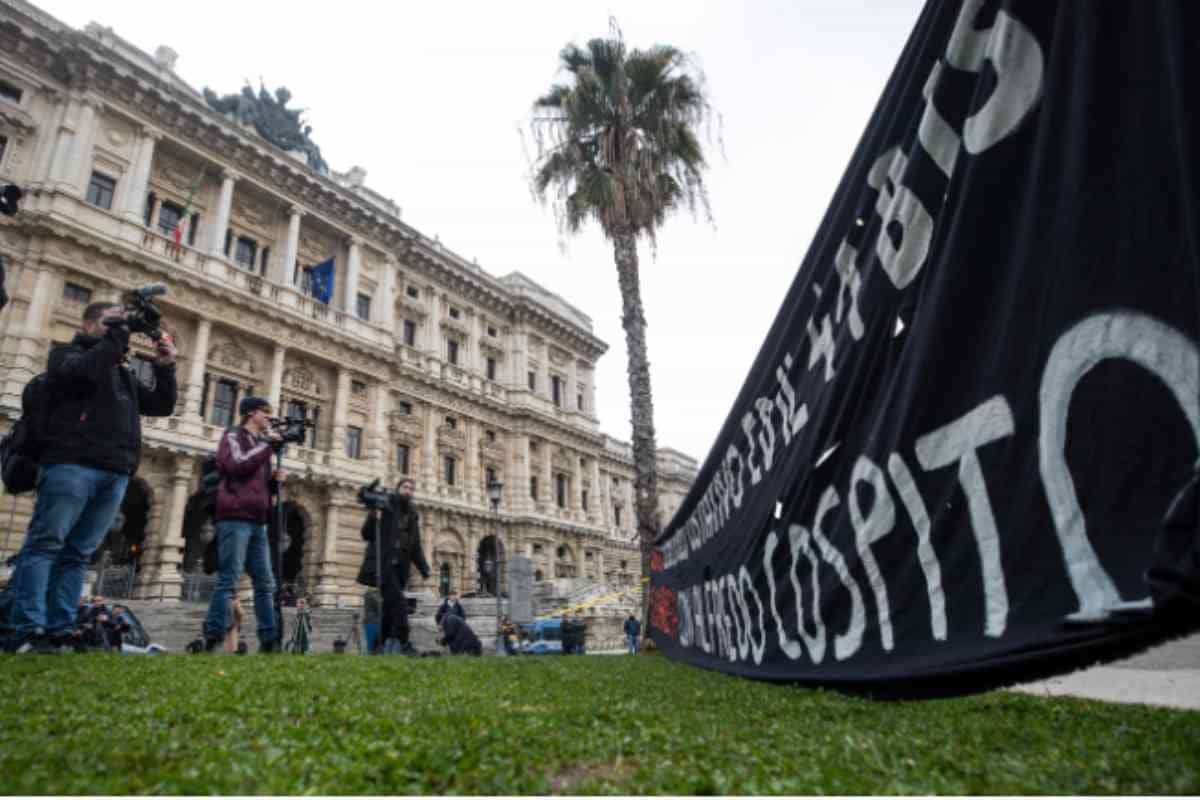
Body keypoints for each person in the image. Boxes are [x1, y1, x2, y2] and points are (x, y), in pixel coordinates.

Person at [4, 302, 177, 654]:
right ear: (89, 325)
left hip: (114, 470)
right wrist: (118, 336)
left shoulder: (122, 371)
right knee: (45, 545)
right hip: (71, 463)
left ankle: (60, 628)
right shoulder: (67, 356)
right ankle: (27, 627)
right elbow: (84, 373)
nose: (121, 329)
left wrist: (165, 365)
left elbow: (160, 404)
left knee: (78, 554)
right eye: (111, 321)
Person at [201, 396, 288, 653]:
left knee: (265, 582)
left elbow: (256, 482)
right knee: (229, 579)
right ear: (251, 413)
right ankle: (214, 635)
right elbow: (236, 465)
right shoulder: (233, 435)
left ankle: (269, 639)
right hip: (235, 516)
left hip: (258, 519)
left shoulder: (261, 445)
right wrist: (268, 447)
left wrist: (274, 481)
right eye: (266, 412)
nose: (269, 418)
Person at [357, 477, 430, 655]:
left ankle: (376, 646)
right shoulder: (386, 504)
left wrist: (423, 567)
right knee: (398, 602)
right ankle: (405, 643)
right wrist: (373, 513)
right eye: (405, 487)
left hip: (401, 568)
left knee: (390, 610)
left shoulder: (412, 513)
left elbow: (415, 544)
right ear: (397, 489)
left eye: (411, 488)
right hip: (384, 564)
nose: (408, 490)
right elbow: (367, 534)